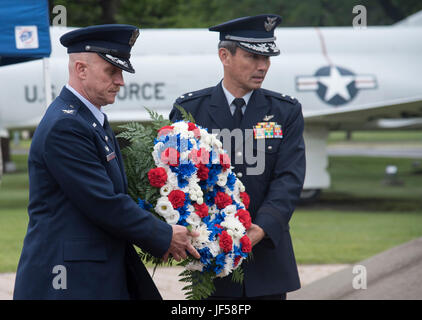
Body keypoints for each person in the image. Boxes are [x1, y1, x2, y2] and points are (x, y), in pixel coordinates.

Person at [13, 24, 199, 300]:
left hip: (92, 269)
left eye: (121, 72)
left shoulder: (88, 118)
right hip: (70, 279)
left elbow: (113, 194)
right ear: (80, 70)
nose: (121, 81)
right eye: (112, 71)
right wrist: (162, 234)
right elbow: (103, 201)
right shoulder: (66, 125)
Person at [170, 15, 306, 300]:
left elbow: (289, 179)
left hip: (267, 258)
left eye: (267, 58)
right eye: (253, 56)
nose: (262, 66)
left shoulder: (285, 111)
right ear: (224, 55)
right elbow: (177, 182)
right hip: (212, 259)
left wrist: (263, 228)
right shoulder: (190, 110)